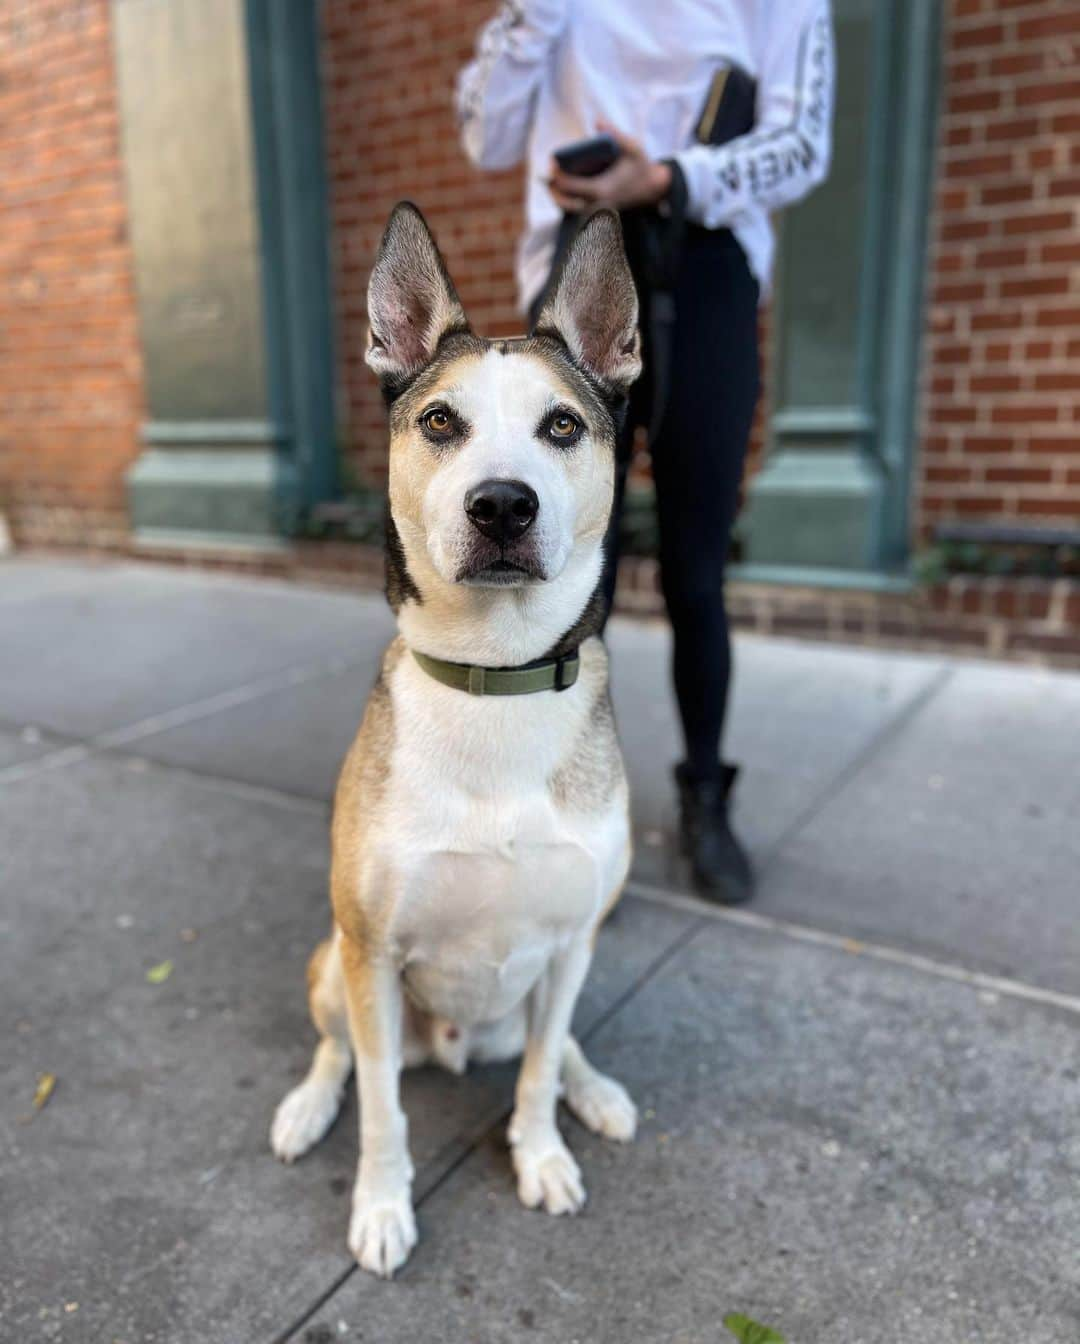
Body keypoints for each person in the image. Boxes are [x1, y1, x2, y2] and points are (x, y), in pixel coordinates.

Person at [457, 1, 834, 904]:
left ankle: (704, 794)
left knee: (695, 567)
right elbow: (484, 134)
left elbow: (802, 144)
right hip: (574, 272)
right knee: (566, 569)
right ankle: (560, 799)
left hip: (704, 267)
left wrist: (666, 176)